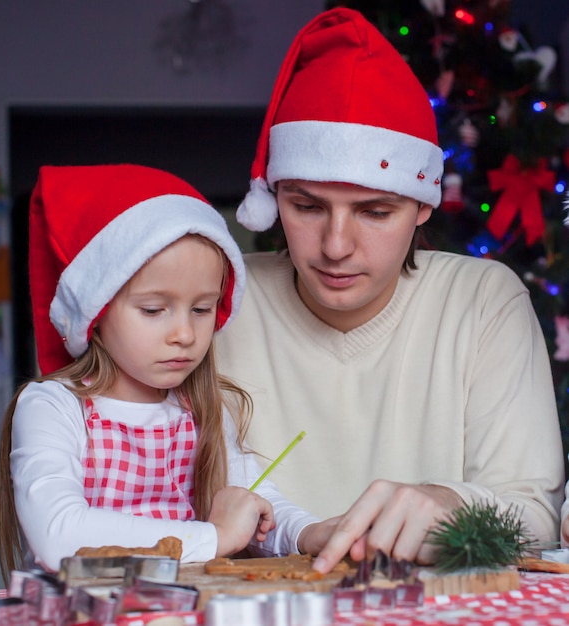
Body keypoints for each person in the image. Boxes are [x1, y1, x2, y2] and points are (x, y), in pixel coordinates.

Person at [214, 7, 565, 573]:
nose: (335, 245)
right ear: (273, 196)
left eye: (375, 212)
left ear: (424, 203)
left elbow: (536, 516)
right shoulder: (220, 303)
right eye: (306, 206)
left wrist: (455, 505)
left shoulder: (484, 302)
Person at [0, 164, 342, 582]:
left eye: (201, 309)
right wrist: (211, 538)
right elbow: (58, 534)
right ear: (96, 311)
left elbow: (253, 503)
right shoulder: (53, 407)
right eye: (154, 310)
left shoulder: (203, 410)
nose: (184, 334)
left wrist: (308, 532)